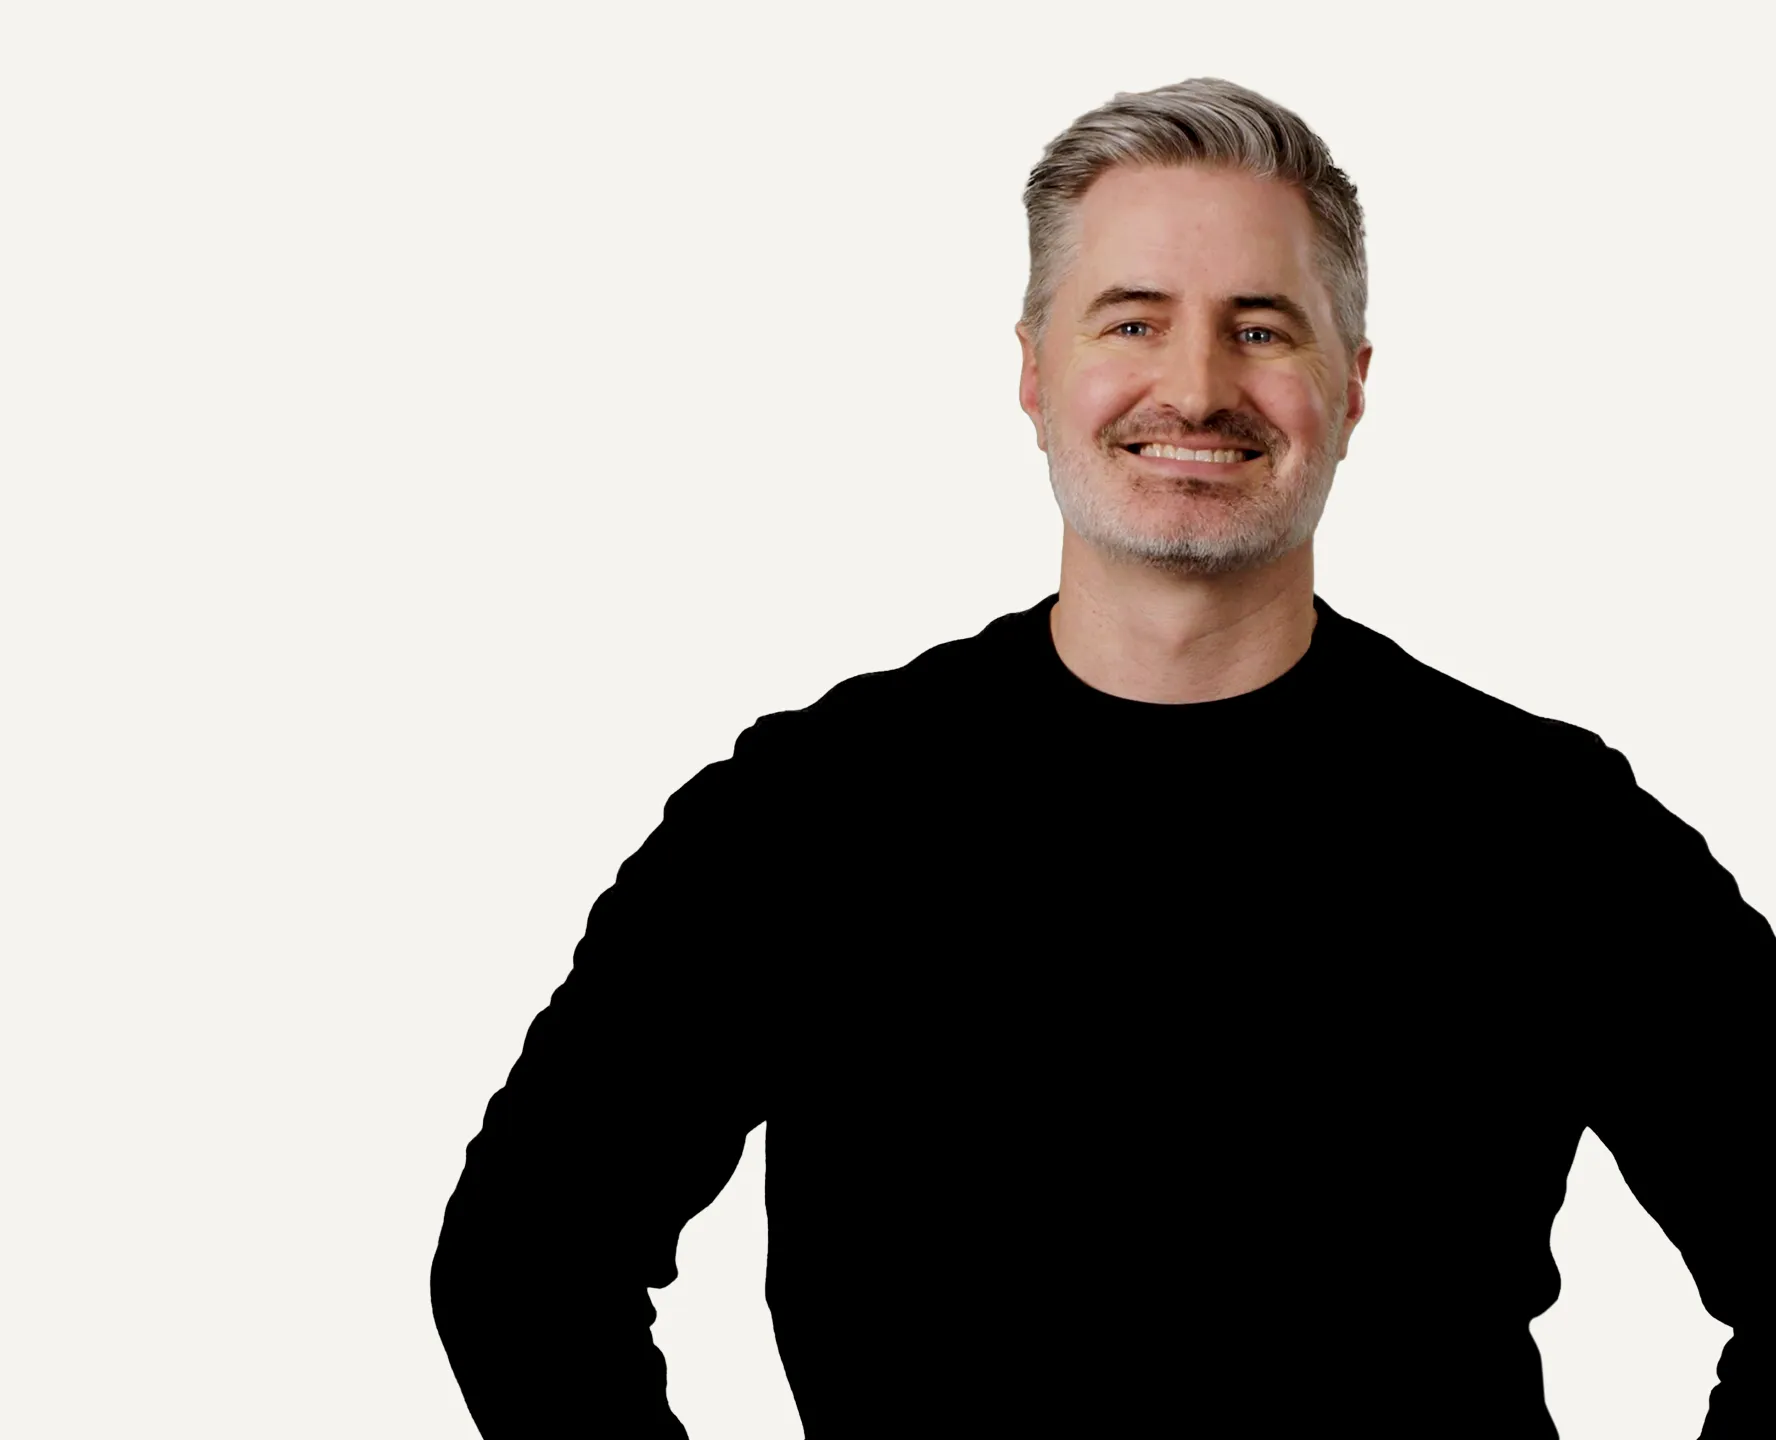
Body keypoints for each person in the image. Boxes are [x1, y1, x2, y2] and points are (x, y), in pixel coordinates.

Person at [429, 76, 1771, 1439]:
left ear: (1351, 387)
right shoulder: (809, 816)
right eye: (1134, 320)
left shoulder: (1543, 830)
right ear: (1033, 369)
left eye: (1262, 329)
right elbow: (526, 1263)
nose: (1195, 387)